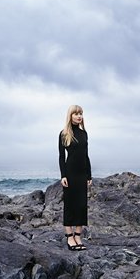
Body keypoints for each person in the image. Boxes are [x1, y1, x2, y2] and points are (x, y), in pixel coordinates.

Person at [59, 105, 92, 251]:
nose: (79, 116)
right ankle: (69, 237)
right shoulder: (64, 133)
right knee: (70, 205)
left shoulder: (84, 134)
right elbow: (61, 157)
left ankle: (78, 235)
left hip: (82, 174)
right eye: (76, 114)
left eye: (81, 114)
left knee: (81, 205)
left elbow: (86, 155)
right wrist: (63, 175)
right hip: (70, 174)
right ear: (70, 116)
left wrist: (89, 175)